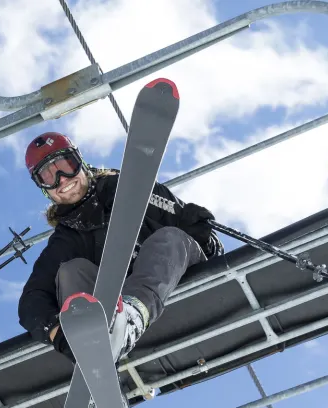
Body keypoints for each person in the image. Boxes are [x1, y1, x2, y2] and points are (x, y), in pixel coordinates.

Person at [18, 132, 223, 362]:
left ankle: (132, 317)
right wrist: (59, 335)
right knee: (70, 271)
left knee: (169, 238)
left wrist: (204, 237)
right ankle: (95, 356)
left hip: (179, 292)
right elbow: (31, 301)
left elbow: (208, 250)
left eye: (66, 165)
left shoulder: (134, 190)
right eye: (48, 176)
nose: (62, 180)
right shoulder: (67, 238)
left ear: (80, 162)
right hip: (119, 327)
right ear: (43, 188)